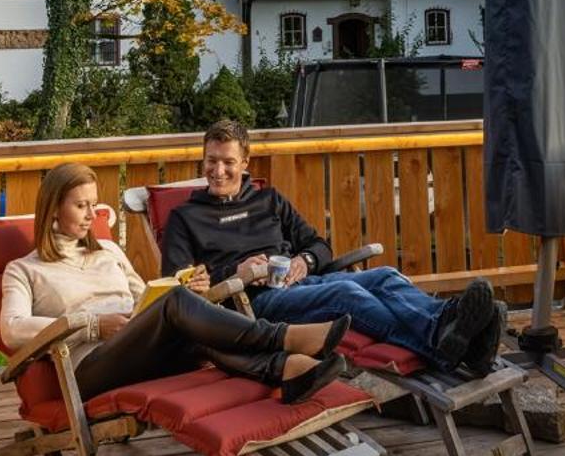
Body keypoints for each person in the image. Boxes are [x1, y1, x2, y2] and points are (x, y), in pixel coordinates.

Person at [159, 119, 504, 374]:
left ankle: (448, 323)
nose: (218, 171)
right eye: (211, 161)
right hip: (252, 305)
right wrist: (237, 273)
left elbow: (318, 245)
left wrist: (304, 262)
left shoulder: (268, 200)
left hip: (302, 283)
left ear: (245, 163)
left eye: (228, 162)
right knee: (346, 295)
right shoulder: (185, 217)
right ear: (202, 160)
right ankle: (446, 342)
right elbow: (176, 287)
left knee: (384, 275)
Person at [0, 161, 352, 405]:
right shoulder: (24, 270)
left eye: (95, 205)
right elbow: (12, 330)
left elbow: (145, 299)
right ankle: (283, 336)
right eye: (81, 206)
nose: (93, 216)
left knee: (189, 316)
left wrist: (183, 285)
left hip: (139, 347)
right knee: (177, 305)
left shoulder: (106, 250)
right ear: (53, 209)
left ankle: (288, 370)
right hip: (90, 367)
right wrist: (91, 326)